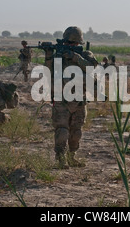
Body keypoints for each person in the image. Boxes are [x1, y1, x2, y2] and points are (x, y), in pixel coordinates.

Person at [44, 26, 98, 169]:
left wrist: (75, 57)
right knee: (62, 130)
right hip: (62, 99)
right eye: (68, 44)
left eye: (74, 44)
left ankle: (71, 157)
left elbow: (92, 67)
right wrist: (49, 54)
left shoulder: (86, 55)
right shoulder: (59, 55)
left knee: (76, 132)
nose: (71, 46)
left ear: (79, 44)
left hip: (79, 100)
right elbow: (49, 71)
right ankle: (61, 158)